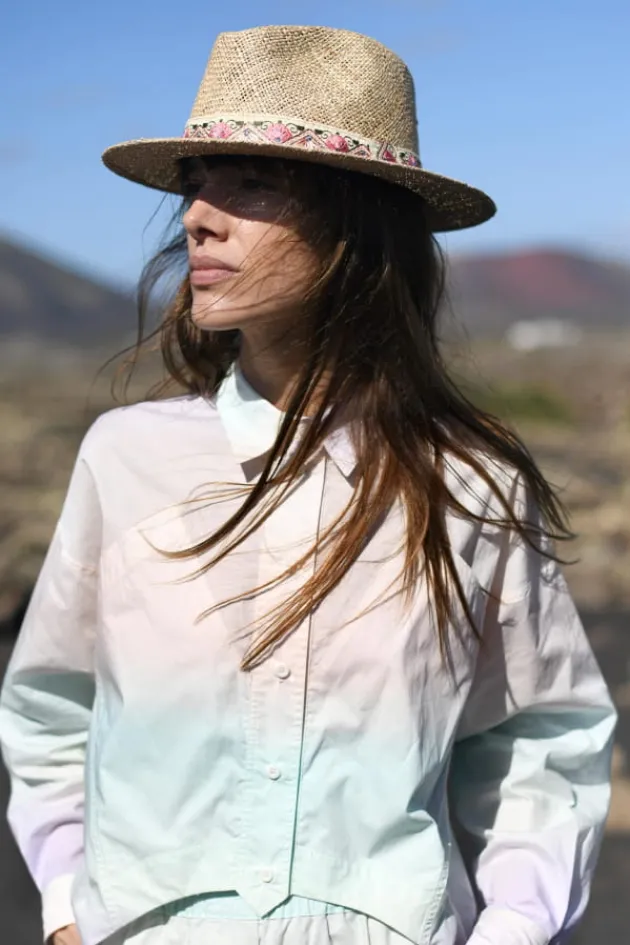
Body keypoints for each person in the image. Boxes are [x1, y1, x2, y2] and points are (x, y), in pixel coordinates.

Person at [0, 23, 617, 945]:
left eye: (252, 182)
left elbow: (539, 741)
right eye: (196, 182)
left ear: (356, 224)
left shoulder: (471, 483)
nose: (198, 217)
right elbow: (52, 707)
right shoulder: (126, 457)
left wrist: (514, 929)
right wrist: (64, 913)